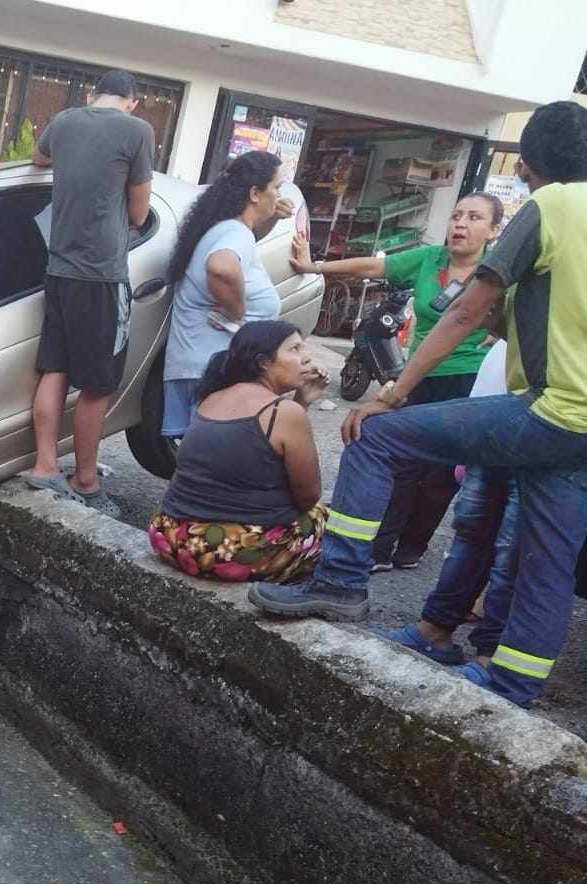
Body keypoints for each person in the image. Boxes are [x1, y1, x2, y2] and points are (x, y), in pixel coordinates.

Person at [250, 101, 587, 710]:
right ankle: (512, 686)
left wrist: (392, 394)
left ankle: (340, 581)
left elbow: (466, 310)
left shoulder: (552, 206)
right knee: (547, 558)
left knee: (378, 437)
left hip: (552, 410)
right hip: (579, 428)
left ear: (531, 163)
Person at [290, 191, 504, 570]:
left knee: (442, 474)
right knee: (403, 461)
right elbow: (372, 267)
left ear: (493, 230)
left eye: (474, 218)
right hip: (418, 374)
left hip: (468, 381)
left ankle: (413, 546)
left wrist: (504, 330)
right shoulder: (428, 259)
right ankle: (380, 548)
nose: (460, 223)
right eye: (456, 215)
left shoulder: (498, 272)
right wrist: (314, 266)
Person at [21, 68, 155, 515]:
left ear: (93, 94)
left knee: (54, 368)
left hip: (58, 271)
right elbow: (139, 214)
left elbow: (39, 161)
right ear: (132, 101)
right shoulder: (137, 131)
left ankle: (44, 466)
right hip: (101, 276)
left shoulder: (63, 122)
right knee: (99, 385)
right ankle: (85, 478)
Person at [149, 321, 329, 581]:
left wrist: (302, 402)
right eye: (295, 349)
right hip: (226, 552)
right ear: (263, 362)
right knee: (323, 518)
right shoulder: (284, 414)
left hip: (170, 535)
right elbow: (307, 498)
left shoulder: (211, 398)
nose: (307, 357)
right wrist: (299, 408)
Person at [376, 339, 518, 667]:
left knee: (515, 550)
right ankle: (434, 630)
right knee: (471, 534)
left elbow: (462, 315)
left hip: (542, 434)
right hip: (490, 435)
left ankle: (490, 656)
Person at [161, 150, 290, 440]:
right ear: (255, 193)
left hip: (201, 366)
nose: (279, 195)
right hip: (212, 371)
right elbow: (221, 267)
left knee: (202, 463)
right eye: (276, 187)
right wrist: (238, 313)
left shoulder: (228, 229)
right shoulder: (235, 231)